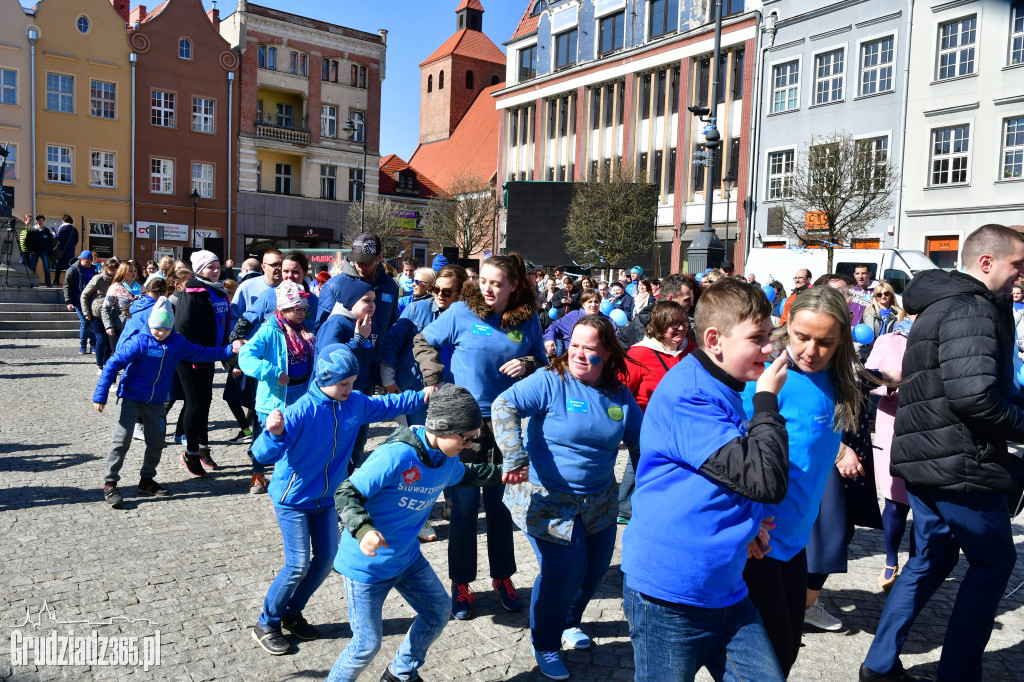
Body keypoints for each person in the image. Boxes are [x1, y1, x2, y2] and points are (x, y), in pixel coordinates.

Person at [861, 224, 1024, 682]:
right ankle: (957, 673)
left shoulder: (940, 304)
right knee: (995, 563)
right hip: (958, 461)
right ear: (987, 262)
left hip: (928, 455)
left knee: (932, 559)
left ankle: (878, 665)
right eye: (1018, 266)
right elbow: (974, 397)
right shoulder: (971, 308)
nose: (1021, 277)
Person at [622, 278, 790, 682]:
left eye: (770, 336)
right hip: (670, 593)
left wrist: (748, 522)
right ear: (714, 339)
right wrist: (767, 400)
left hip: (725, 588)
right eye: (757, 338)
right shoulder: (690, 394)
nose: (769, 349)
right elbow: (765, 478)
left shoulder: (723, 382)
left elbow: (720, 473)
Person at [248, 344, 426, 657]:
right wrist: (273, 433)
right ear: (323, 379)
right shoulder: (300, 411)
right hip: (293, 500)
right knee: (298, 563)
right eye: (343, 384)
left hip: (328, 499)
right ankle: (267, 623)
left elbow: (388, 404)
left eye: (352, 382)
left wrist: (423, 396)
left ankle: (292, 612)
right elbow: (263, 454)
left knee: (327, 560)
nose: (349, 389)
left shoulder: (354, 403)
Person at [492, 315, 642, 680]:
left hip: (599, 501)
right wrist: (514, 456)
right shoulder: (551, 380)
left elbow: (642, 443)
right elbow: (503, 405)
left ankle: (568, 622)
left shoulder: (618, 394)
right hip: (547, 499)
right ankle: (544, 642)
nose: (578, 353)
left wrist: (653, 490)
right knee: (563, 571)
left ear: (606, 353)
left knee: (593, 572)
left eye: (589, 348)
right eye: (574, 345)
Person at [327, 385, 504, 681]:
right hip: (366, 568)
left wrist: (503, 473)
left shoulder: (447, 459)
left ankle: (401, 672)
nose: (470, 444)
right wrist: (363, 530)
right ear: (444, 427)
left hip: (407, 560)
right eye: (466, 437)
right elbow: (346, 493)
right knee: (365, 646)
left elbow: (468, 475)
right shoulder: (395, 456)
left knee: (438, 611)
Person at [412, 253, 547, 620]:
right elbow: (422, 342)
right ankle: (461, 584)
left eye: (497, 283)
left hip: (505, 424)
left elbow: (544, 363)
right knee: (466, 510)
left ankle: (502, 578)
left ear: (514, 285)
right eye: (483, 281)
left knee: (503, 507)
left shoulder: (527, 319)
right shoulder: (460, 312)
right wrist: (434, 379)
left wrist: (529, 364)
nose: (488, 288)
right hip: (465, 425)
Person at [740, 285, 862, 676]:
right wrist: (744, 520)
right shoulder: (763, 381)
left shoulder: (840, 380)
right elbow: (726, 457)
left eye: (825, 342)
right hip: (757, 544)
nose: (811, 350)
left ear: (842, 337)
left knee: (788, 650)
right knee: (769, 660)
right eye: (802, 337)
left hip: (795, 542)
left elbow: (811, 438)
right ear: (786, 325)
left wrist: (843, 449)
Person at [93, 297, 241, 508]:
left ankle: (147, 480)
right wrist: (101, 395)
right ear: (150, 324)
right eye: (157, 329)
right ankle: (110, 483)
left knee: (156, 442)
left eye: (165, 329)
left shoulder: (177, 343)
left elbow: (202, 353)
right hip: (131, 397)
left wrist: (228, 351)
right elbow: (112, 365)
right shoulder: (139, 341)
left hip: (157, 400)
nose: (160, 333)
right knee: (121, 440)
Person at [617, 301, 697, 524]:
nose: (681, 329)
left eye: (683, 323)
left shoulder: (693, 351)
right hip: (649, 429)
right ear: (660, 326)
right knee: (648, 473)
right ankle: (639, 515)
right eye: (674, 324)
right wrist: (621, 428)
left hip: (685, 429)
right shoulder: (639, 354)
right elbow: (621, 391)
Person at [238, 281, 319, 475]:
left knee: (296, 439)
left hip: (300, 394)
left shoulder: (305, 329)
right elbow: (245, 356)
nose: (302, 313)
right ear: (283, 308)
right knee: (266, 440)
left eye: (304, 309)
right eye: (297, 309)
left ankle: (289, 476)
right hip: (275, 398)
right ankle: (257, 473)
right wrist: (273, 372)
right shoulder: (269, 330)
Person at [865, 317, 915, 593]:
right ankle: (891, 558)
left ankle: (916, 565)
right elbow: (868, 379)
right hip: (894, 427)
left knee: (924, 507)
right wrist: (891, 383)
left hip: (932, 430)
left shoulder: (945, 338)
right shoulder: (889, 340)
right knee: (895, 502)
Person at [174, 250, 231, 476]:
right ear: (199, 270)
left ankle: (203, 448)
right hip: (192, 358)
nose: (216, 271)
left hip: (209, 355)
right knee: (194, 403)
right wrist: (197, 355)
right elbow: (183, 328)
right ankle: (190, 452)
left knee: (205, 401)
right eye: (210, 267)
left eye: (217, 266)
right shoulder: (193, 291)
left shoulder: (218, 291)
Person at [316, 234, 400, 385]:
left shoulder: (390, 286)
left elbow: (391, 329)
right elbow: (322, 332)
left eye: (367, 262)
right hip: (341, 375)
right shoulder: (334, 285)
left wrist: (386, 369)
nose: (361, 266)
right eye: (357, 261)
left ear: (379, 257)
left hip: (373, 372)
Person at [616, 274, 691, 350]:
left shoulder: (685, 322)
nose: (691, 304)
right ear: (670, 298)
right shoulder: (643, 326)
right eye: (687, 300)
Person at [544, 290, 617, 358]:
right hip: (574, 361)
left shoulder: (607, 321)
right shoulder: (573, 316)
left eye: (596, 302)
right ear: (583, 304)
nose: (593, 305)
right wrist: (550, 339)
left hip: (598, 364)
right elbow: (554, 326)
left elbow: (616, 341)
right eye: (590, 302)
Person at [81, 258, 120, 373]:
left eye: (115, 270)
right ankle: (99, 365)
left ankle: (106, 363)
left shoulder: (118, 280)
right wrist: (86, 312)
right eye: (111, 269)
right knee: (101, 340)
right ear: (105, 268)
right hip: (97, 313)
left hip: (112, 313)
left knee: (109, 342)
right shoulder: (98, 279)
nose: (114, 272)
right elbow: (84, 295)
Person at [232, 249, 283, 328]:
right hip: (251, 339)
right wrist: (235, 339)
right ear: (263, 267)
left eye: (281, 264)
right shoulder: (246, 287)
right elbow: (234, 317)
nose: (279, 268)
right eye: (274, 265)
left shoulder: (290, 288)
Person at [64, 251, 98, 354]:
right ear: (81, 259)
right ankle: (83, 345)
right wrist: (68, 301)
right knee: (85, 321)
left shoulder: (93, 269)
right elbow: (67, 286)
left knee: (92, 321)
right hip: (78, 300)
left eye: (90, 261)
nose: (89, 263)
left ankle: (93, 345)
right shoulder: (72, 270)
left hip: (92, 300)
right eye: (86, 261)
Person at [102, 261, 139, 352]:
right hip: (120, 327)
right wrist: (108, 326)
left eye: (135, 270)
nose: (133, 273)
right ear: (123, 272)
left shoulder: (141, 287)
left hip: (137, 328)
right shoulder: (116, 287)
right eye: (130, 271)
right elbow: (105, 309)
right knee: (119, 355)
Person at [26, 216, 53, 287]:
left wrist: (49, 251)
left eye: (42, 220)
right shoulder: (32, 230)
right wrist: (31, 250)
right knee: (32, 267)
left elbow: (50, 241)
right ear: (36, 221)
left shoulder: (46, 230)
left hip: (44, 251)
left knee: (46, 267)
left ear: (43, 221)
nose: (41, 222)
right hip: (34, 251)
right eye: (39, 220)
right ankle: (31, 283)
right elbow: (28, 241)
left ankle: (48, 283)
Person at [52, 214, 79, 285]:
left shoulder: (63, 228)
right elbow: (76, 241)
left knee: (58, 266)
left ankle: (56, 281)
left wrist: (54, 234)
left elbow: (58, 237)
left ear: (64, 220)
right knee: (69, 267)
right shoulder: (75, 230)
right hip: (70, 251)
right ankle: (68, 282)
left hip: (61, 250)